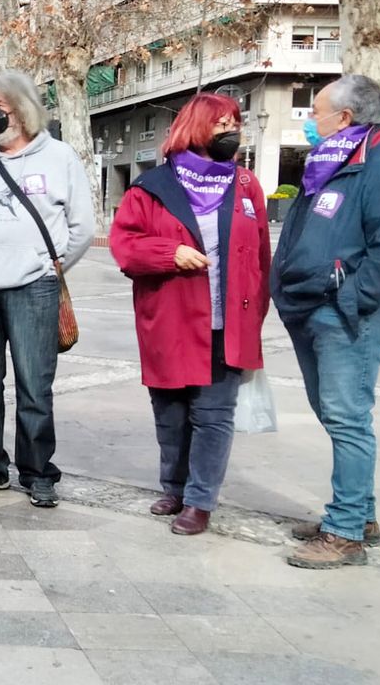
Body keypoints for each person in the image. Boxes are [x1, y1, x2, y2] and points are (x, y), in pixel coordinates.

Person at [274, 75, 380, 569]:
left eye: (315, 111)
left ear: (345, 118)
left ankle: (345, 534)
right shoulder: (332, 161)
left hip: (348, 314)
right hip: (311, 305)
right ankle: (361, 516)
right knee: (333, 413)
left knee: (346, 417)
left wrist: (351, 300)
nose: (309, 120)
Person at [109, 93, 271, 536]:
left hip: (228, 323)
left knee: (214, 415)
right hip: (171, 319)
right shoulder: (152, 186)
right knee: (171, 414)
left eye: (234, 123)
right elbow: (125, 246)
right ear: (195, 127)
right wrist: (170, 253)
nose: (230, 131)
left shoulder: (246, 184)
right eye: (221, 124)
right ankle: (175, 487)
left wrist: (256, 314)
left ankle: (201, 500)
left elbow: (261, 254)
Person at [0, 71, 94, 508]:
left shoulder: (60, 157)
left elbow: (82, 227)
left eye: (1, 105)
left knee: (34, 384)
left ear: (24, 108)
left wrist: (48, 267)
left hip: (35, 286)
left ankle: (37, 472)